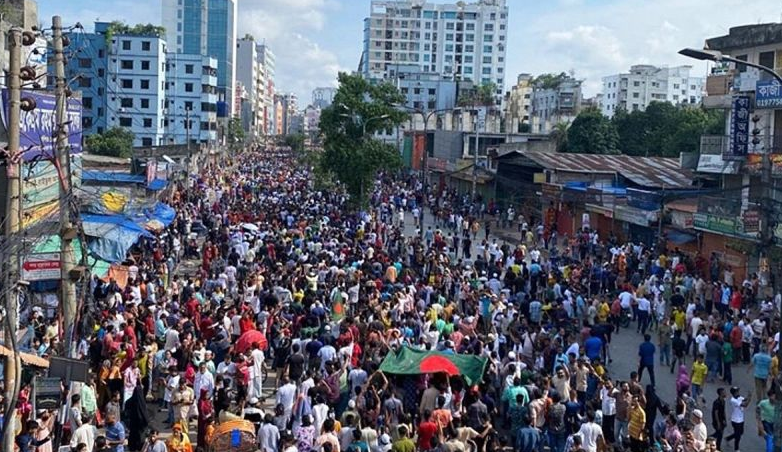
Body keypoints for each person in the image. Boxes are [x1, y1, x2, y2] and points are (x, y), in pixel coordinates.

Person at [122, 384, 149, 452]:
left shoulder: (129, 402)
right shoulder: (142, 403)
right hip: (140, 428)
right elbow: (145, 417)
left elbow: (125, 415)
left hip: (132, 425)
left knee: (132, 441)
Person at [725, 386, 751, 452]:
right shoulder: (733, 400)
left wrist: (748, 396)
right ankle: (736, 449)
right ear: (734, 393)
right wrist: (749, 398)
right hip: (735, 420)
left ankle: (728, 438)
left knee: (740, 433)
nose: (738, 392)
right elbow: (745, 405)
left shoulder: (739, 397)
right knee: (738, 436)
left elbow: (744, 399)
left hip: (741, 419)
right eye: (737, 391)